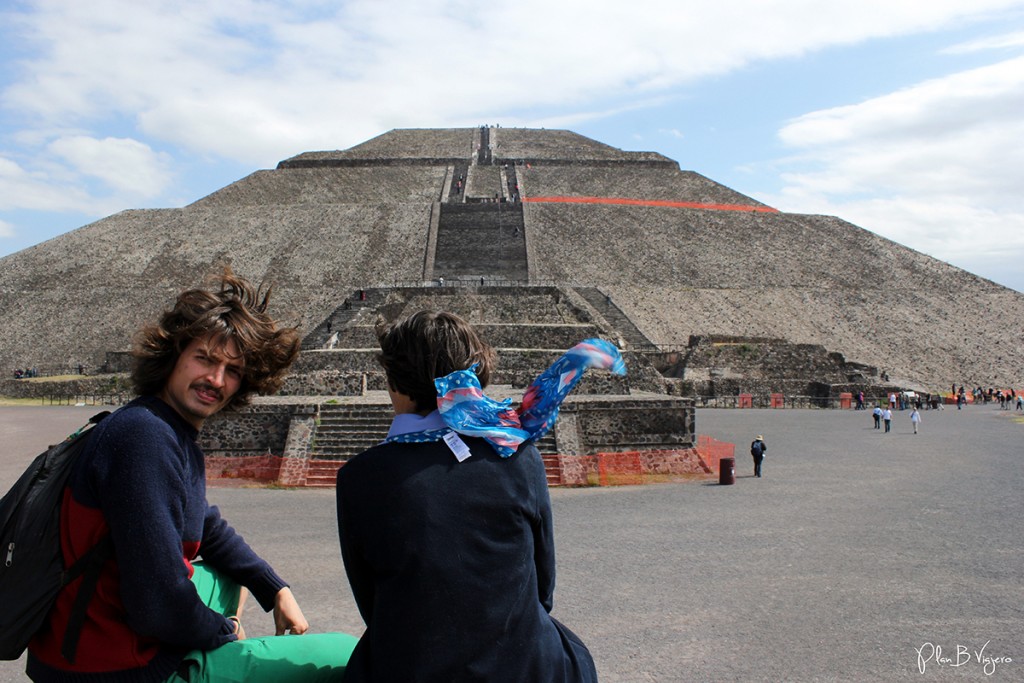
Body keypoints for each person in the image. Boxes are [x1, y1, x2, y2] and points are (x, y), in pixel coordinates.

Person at [27, 269, 357, 682]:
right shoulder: (144, 439)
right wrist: (226, 633)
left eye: (233, 370)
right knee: (344, 655)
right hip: (114, 668)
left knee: (226, 577)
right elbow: (158, 604)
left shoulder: (164, 427)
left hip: (88, 640)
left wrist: (273, 588)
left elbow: (207, 525)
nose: (216, 380)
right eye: (204, 358)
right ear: (173, 356)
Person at [336, 311, 602, 682]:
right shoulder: (519, 456)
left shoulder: (359, 477)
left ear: (396, 382)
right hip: (527, 666)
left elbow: (373, 603)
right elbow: (543, 588)